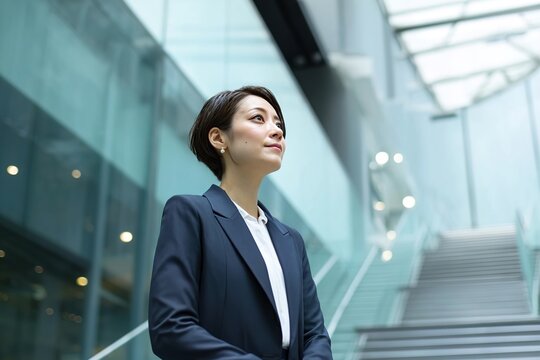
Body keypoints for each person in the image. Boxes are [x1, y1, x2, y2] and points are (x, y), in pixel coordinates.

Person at [148, 86, 332, 360]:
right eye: (258, 118)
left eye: (278, 124)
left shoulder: (290, 240)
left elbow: (315, 334)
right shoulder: (191, 214)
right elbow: (170, 328)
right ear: (218, 138)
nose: (277, 131)